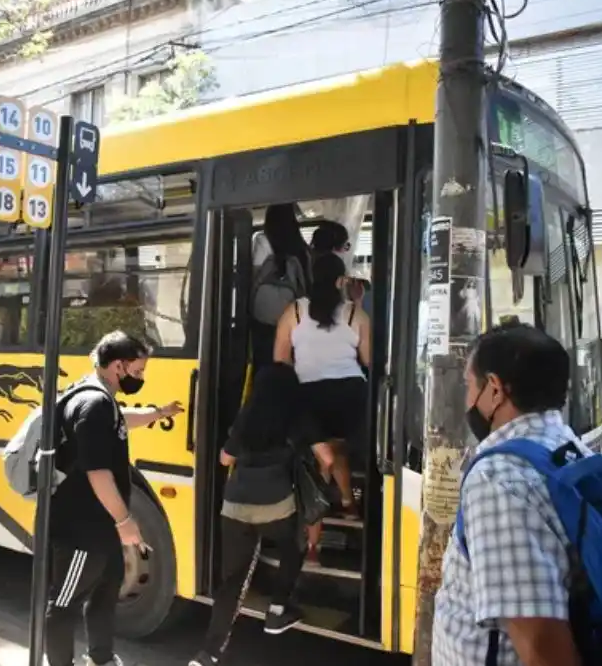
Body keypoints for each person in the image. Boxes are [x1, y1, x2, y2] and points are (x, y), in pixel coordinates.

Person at [433, 323, 584, 666]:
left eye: (469, 386)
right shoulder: (567, 448)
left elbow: (542, 645)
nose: (467, 399)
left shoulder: (498, 479)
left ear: (495, 390)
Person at [46, 331, 184, 666]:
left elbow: (120, 422)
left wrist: (158, 412)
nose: (140, 378)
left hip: (100, 525)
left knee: (105, 593)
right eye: (137, 372)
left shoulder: (102, 400)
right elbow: (98, 472)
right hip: (83, 527)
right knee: (64, 602)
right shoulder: (93, 404)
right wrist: (125, 521)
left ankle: (101, 658)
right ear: (118, 366)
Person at [189, 363, 305, 666]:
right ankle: (278, 610)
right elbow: (326, 455)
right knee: (295, 545)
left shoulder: (247, 416)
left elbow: (225, 457)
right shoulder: (296, 417)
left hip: (236, 506)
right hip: (276, 505)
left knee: (233, 582)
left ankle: (208, 654)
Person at [273, 252, 371, 563]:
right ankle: (348, 503)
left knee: (316, 463)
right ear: (342, 281)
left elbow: (280, 360)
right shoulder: (356, 314)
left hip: (307, 394)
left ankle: (312, 546)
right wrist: (359, 303)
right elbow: (368, 360)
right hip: (349, 394)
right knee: (337, 451)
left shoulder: (295, 312)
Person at [250, 203, 311, 374]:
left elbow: (253, 277)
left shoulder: (262, 241)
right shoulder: (302, 249)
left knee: (265, 364)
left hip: (263, 322)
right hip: (293, 318)